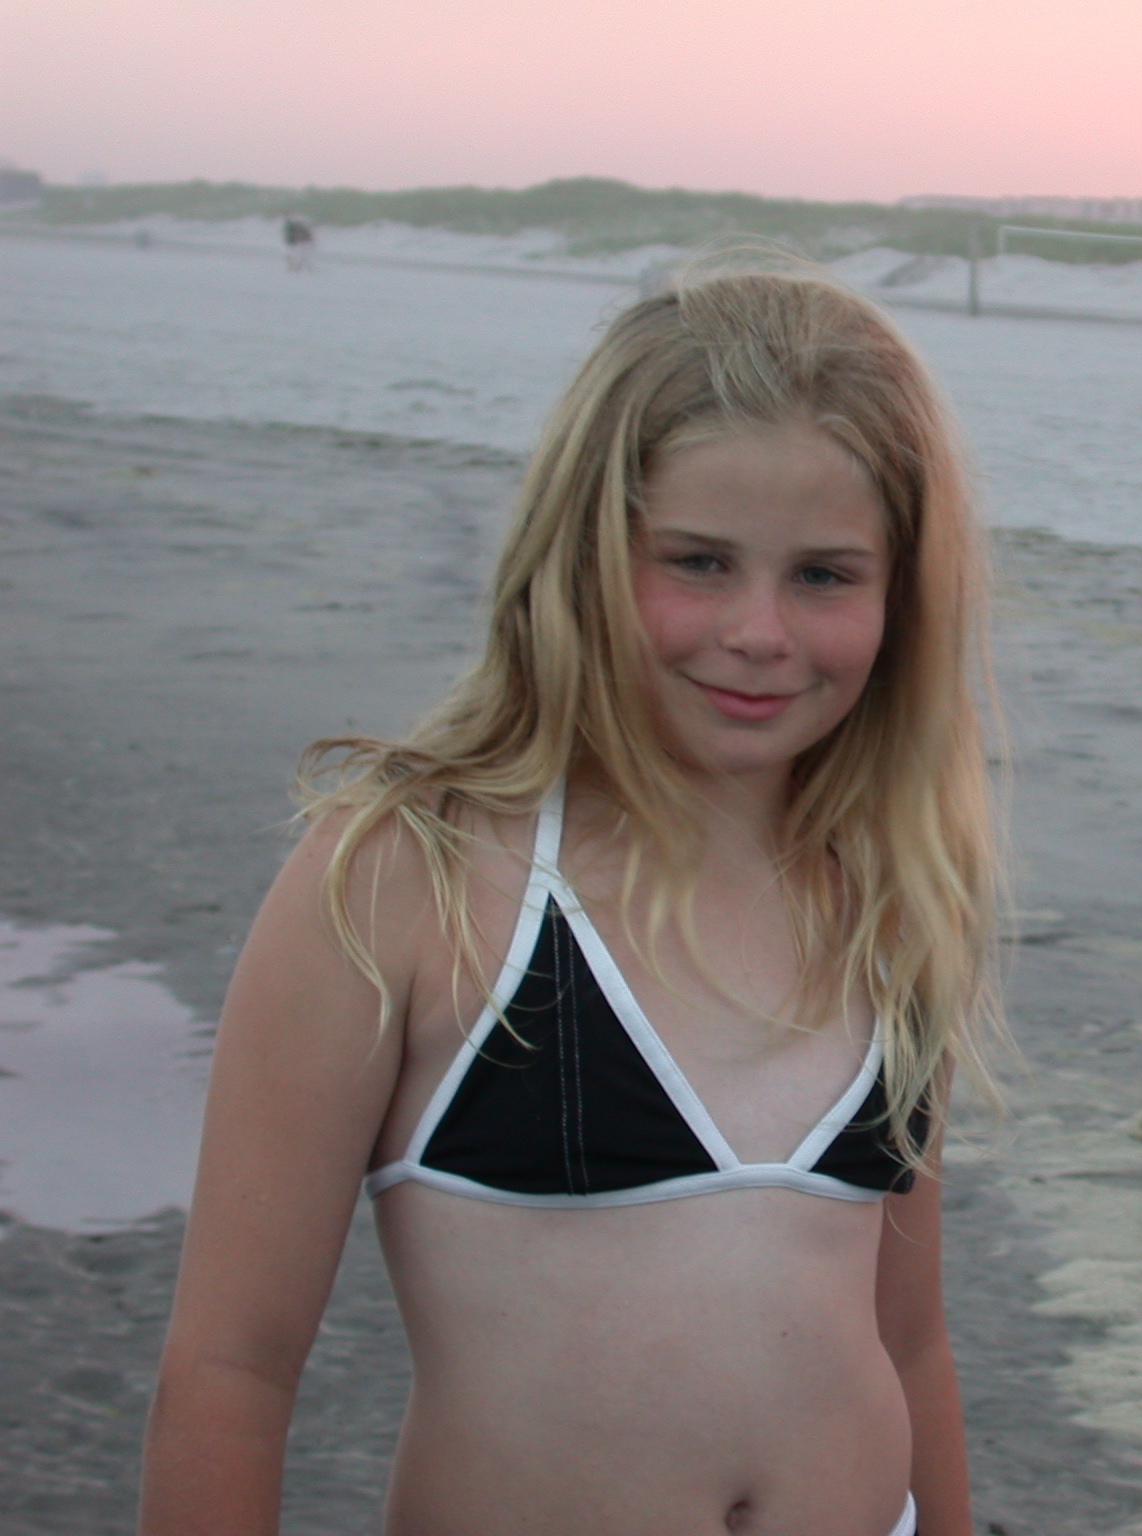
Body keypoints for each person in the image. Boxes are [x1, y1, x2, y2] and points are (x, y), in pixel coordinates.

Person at [138, 257, 1003, 1536]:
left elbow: (908, 1340)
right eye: (698, 562)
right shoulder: (409, 873)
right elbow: (230, 1369)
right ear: (583, 551)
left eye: (824, 575)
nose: (759, 631)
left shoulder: (887, 891)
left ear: (902, 598)